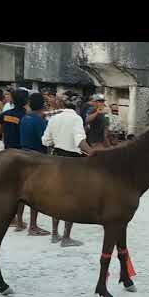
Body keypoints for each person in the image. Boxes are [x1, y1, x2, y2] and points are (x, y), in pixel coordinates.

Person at [42, 92, 94, 247]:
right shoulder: (76, 118)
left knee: (56, 197)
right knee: (71, 199)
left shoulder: (54, 118)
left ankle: (54, 233)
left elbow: (45, 140)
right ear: (77, 105)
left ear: (62, 104)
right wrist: (94, 154)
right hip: (72, 161)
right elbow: (79, 142)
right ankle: (66, 237)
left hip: (55, 158)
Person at [0, 89, 30, 233]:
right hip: (22, 155)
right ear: (26, 101)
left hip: (7, 153)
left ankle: (9, 218)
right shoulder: (26, 116)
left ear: (12, 100)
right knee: (20, 190)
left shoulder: (5, 115)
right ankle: (19, 221)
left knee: (7, 188)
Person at [20, 93, 51, 236]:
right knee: (35, 193)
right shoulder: (40, 121)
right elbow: (45, 141)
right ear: (43, 105)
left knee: (19, 191)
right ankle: (33, 226)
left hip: (22, 155)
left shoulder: (25, 118)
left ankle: (19, 220)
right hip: (36, 158)